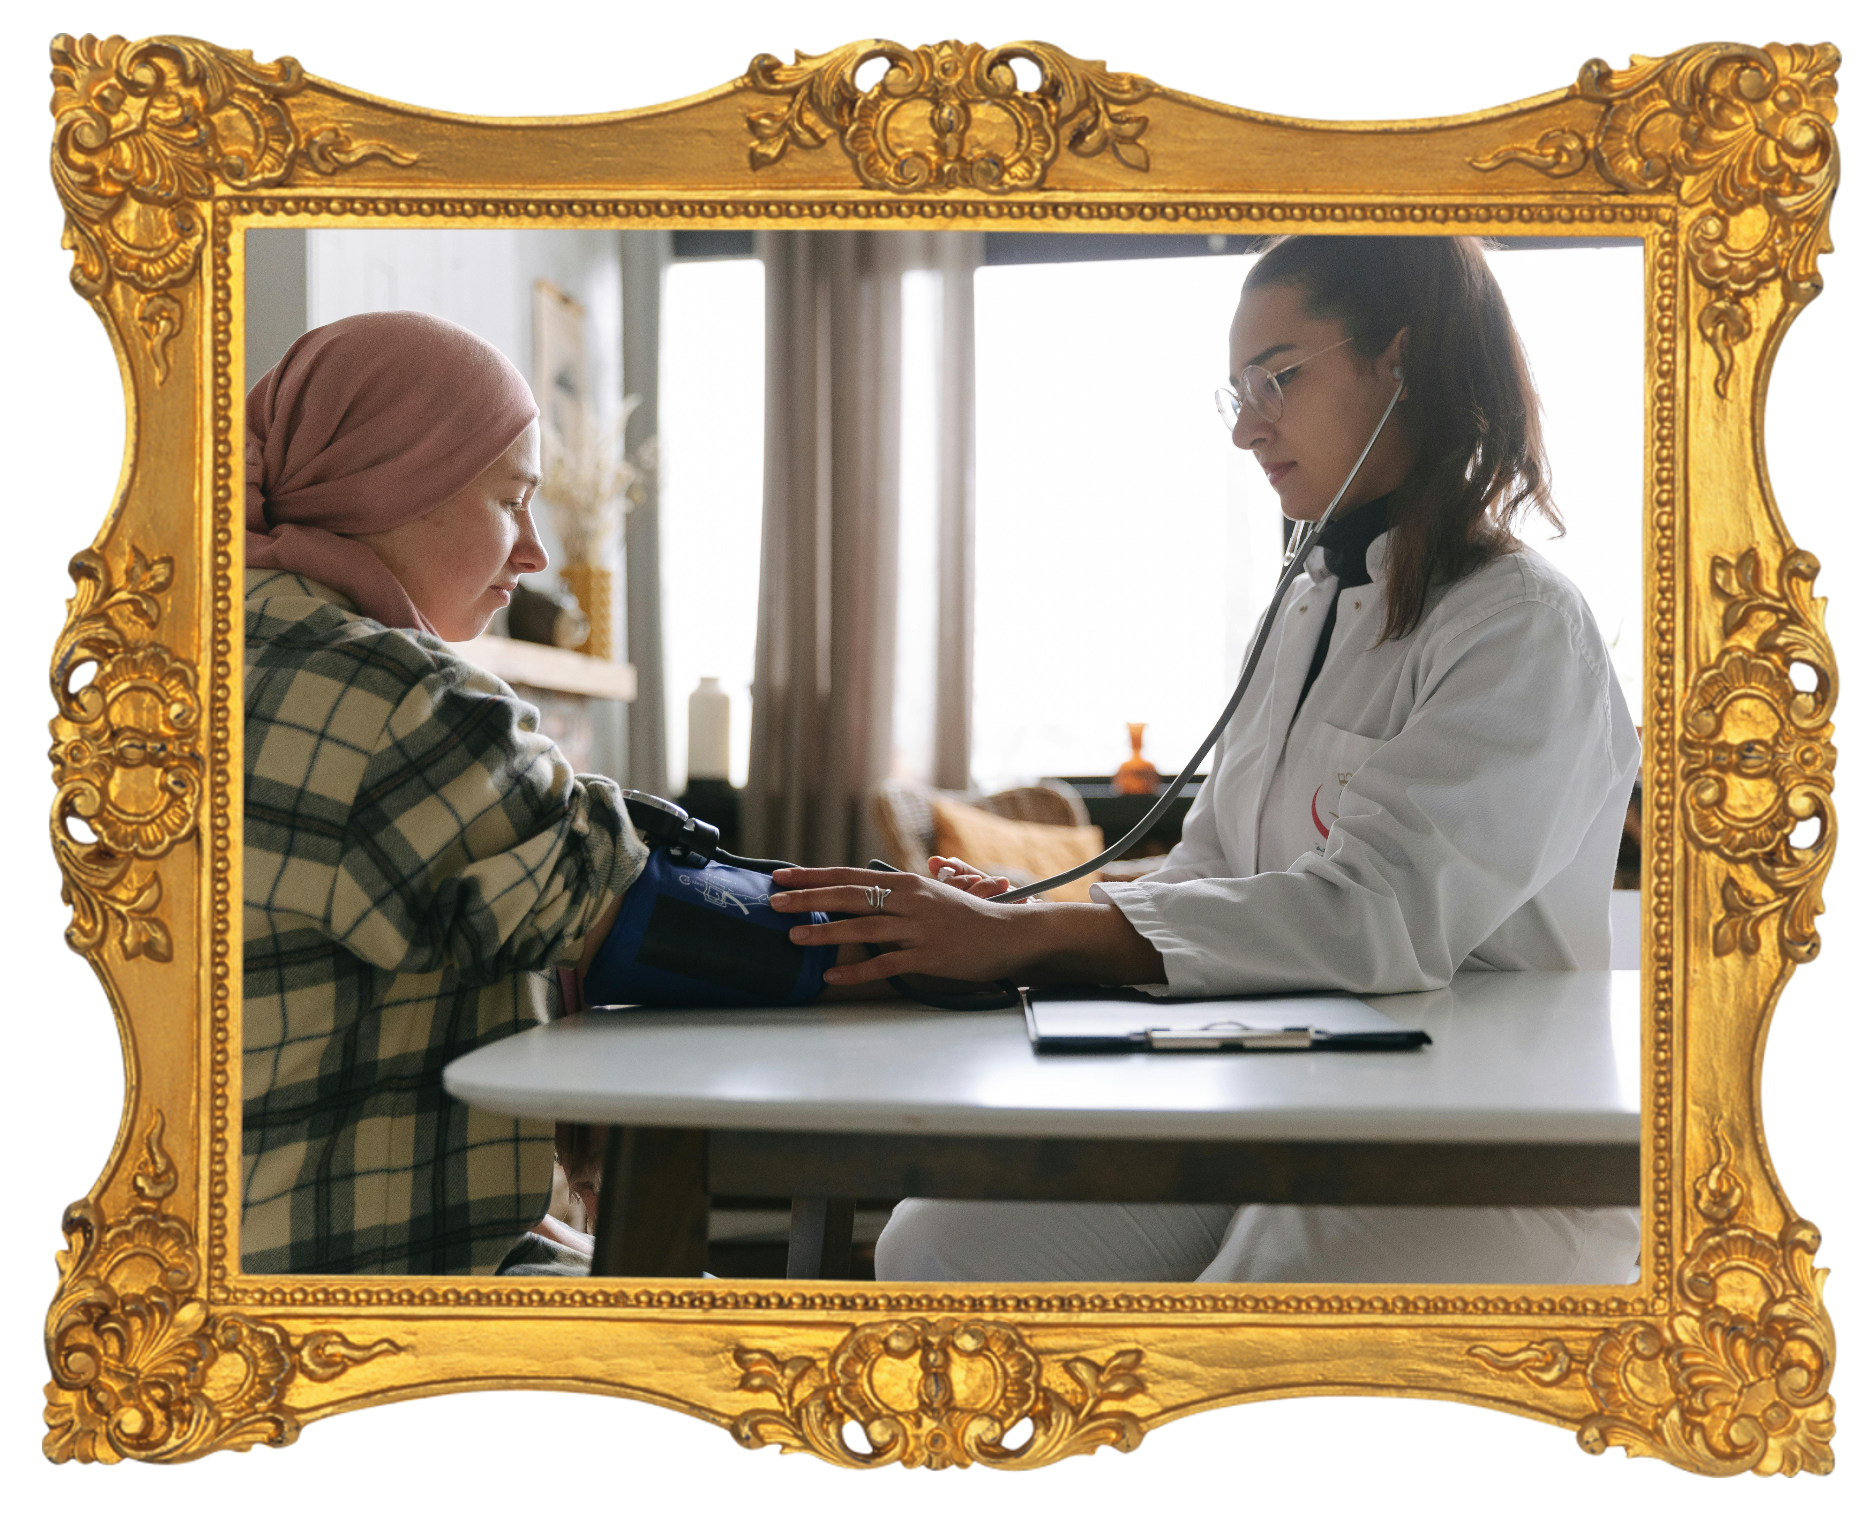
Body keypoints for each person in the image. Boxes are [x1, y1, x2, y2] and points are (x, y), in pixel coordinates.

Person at [766, 236, 1644, 1286]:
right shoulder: (1307, 603)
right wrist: (1023, 916)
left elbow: (1377, 916)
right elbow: (1216, 868)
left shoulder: (1520, 627)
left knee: (1258, 1302)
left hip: (1476, 1143)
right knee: (936, 1243)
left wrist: (1028, 934)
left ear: (1400, 362)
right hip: (1289, 1096)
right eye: (1235, 390)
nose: (1246, 427)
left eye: (1277, 377)